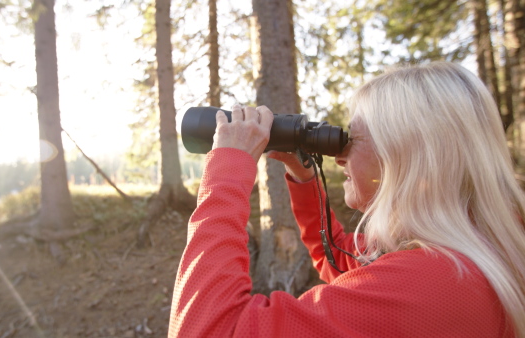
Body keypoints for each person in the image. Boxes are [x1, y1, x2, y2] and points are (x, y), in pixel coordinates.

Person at [168, 62, 525, 337]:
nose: (339, 157)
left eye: (352, 140)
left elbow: (208, 329)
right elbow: (341, 258)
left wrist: (229, 167)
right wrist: (305, 177)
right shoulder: (474, 249)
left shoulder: (432, 283)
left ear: (408, 156)